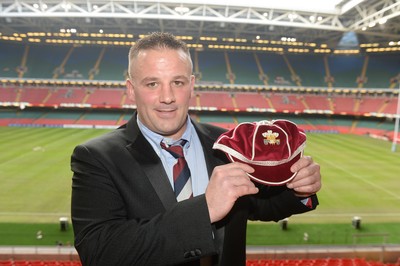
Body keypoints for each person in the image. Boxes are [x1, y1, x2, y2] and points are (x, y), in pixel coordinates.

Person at [71, 32, 322, 266]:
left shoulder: (229, 144)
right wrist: (204, 212)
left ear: (191, 85)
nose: (167, 97)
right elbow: (100, 251)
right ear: (130, 89)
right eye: (152, 84)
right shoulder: (97, 157)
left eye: (177, 82)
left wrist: (299, 188)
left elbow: (262, 204)